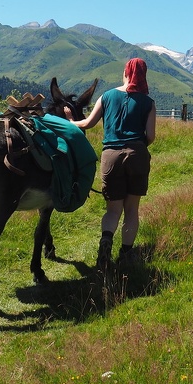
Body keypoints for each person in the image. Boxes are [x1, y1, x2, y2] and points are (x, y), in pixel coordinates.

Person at [67, 57, 156, 272]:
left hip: (111, 156)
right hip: (137, 155)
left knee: (113, 210)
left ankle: (105, 245)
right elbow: (151, 137)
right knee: (131, 210)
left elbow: (88, 123)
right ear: (143, 75)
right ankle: (125, 255)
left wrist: (70, 121)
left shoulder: (106, 96)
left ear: (125, 72)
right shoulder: (148, 102)